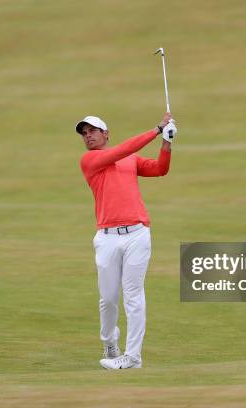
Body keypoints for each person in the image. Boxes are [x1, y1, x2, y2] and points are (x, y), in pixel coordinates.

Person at [76, 113, 177, 369]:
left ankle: (133, 357)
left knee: (134, 296)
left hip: (138, 233)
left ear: (106, 133)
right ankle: (110, 341)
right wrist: (156, 129)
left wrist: (167, 142)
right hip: (107, 238)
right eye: (84, 133)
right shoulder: (90, 160)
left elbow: (159, 169)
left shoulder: (128, 159)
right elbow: (122, 150)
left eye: (93, 131)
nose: (88, 136)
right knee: (108, 298)